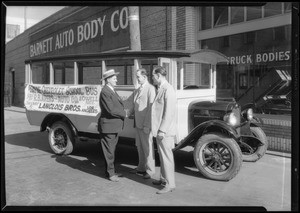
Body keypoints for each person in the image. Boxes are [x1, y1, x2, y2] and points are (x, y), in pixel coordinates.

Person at [151, 66, 177, 194]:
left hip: (164, 131)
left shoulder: (168, 89)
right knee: (162, 156)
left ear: (158, 76)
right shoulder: (161, 88)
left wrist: (162, 130)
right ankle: (163, 179)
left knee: (167, 157)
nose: (152, 78)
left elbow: (169, 113)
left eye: (153, 76)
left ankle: (170, 184)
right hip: (160, 130)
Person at [98, 69, 127, 182]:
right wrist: (125, 113)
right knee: (109, 151)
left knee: (111, 151)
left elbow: (116, 106)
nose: (116, 79)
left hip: (112, 127)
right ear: (108, 80)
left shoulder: (110, 90)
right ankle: (111, 174)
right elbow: (110, 109)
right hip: (108, 127)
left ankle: (111, 171)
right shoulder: (105, 91)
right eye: (114, 78)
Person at [129, 68, 156, 179]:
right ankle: (141, 168)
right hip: (138, 123)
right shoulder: (138, 89)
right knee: (139, 146)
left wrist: (147, 125)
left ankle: (150, 171)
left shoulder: (151, 89)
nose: (137, 78)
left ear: (145, 77)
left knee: (147, 148)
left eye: (138, 76)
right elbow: (133, 105)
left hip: (145, 125)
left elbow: (151, 109)